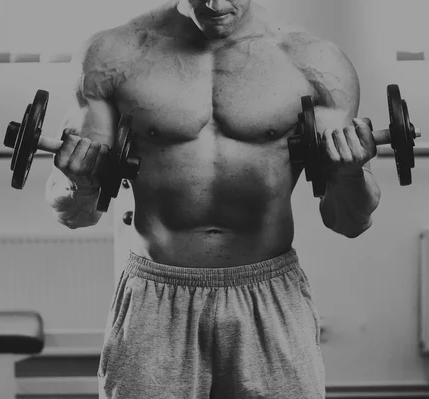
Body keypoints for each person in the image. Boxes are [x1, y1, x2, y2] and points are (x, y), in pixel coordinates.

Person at [45, 0, 381, 397]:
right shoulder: (113, 57)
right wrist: (76, 181)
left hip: (269, 294)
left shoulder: (314, 64)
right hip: (156, 296)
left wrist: (348, 172)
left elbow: (350, 221)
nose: (217, 4)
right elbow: (75, 214)